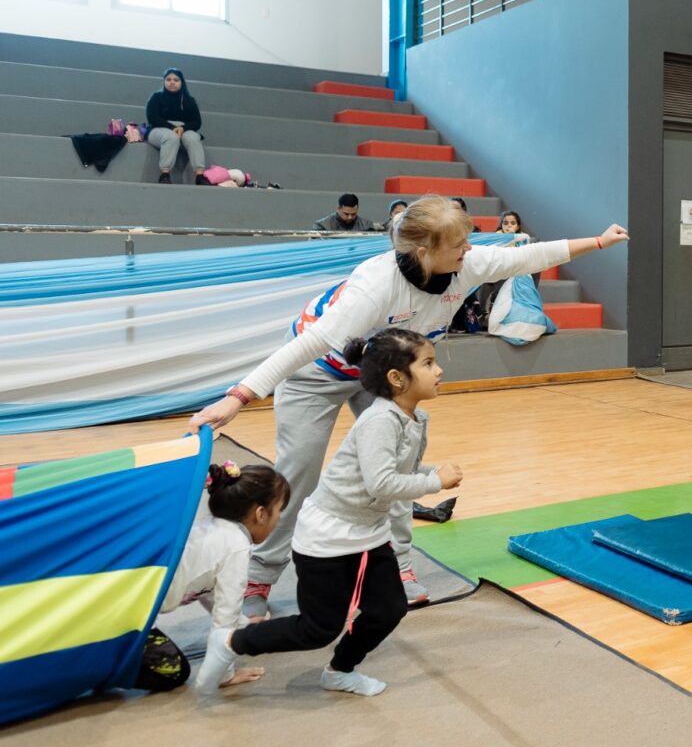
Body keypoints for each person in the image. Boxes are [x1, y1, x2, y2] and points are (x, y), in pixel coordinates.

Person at [188, 195, 628, 618]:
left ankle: (397, 565)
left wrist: (598, 241)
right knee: (298, 475)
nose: (469, 249)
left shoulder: (466, 264)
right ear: (424, 251)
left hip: (384, 375)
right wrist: (239, 397)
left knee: (399, 466)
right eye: (459, 244)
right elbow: (311, 343)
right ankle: (260, 578)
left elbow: (527, 257)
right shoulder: (375, 286)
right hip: (317, 373)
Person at [194, 330, 458, 697]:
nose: (439, 370)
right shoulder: (379, 420)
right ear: (397, 378)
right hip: (328, 535)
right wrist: (434, 482)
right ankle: (233, 642)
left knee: (389, 609)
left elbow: (397, 469)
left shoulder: (413, 417)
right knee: (317, 629)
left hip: (369, 530)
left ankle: (339, 670)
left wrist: (431, 473)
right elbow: (382, 483)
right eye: (428, 363)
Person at [136, 461, 290, 693]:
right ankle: (105, 665)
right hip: (130, 619)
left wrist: (245, 624)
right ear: (260, 514)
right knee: (174, 672)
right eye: (279, 511)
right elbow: (224, 618)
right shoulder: (237, 546)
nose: (279, 519)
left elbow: (210, 591)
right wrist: (224, 674)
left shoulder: (210, 525)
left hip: (127, 604)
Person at [145, 68, 207, 185]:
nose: (172, 82)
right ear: (164, 81)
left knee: (193, 138)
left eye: (176, 80)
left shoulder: (189, 100)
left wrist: (183, 128)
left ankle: (200, 176)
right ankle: (165, 175)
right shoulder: (156, 97)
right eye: (168, 79)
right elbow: (153, 118)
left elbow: (197, 122)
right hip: (159, 130)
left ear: (181, 82)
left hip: (184, 130)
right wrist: (172, 128)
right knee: (171, 137)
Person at [314, 193, 384, 232]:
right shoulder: (322, 226)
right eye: (346, 214)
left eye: (353, 214)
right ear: (338, 208)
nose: (350, 217)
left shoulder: (368, 226)